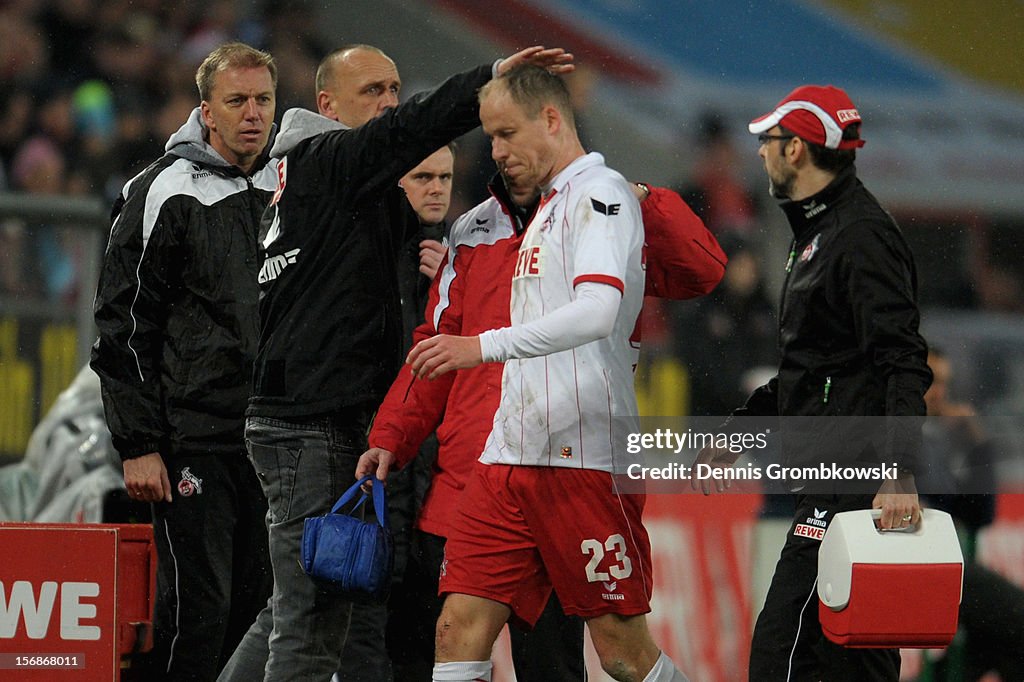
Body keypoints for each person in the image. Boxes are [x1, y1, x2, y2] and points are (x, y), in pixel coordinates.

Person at [216, 45, 573, 682]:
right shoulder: (327, 158)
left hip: (311, 420)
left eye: (394, 89)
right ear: (326, 106)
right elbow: (413, 128)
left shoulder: (331, 183)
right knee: (311, 626)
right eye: (372, 92)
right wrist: (487, 80)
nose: (388, 104)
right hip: (312, 425)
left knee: (295, 608)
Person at [388, 64, 690, 682]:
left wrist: (482, 347)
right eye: (490, 137)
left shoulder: (601, 196)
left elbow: (598, 311)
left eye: (505, 134)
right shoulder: (535, 213)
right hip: (508, 458)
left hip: (582, 462)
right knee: (455, 629)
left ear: (551, 121)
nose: (495, 152)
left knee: (621, 653)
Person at [694, 84, 933, 681]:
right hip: (829, 478)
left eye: (768, 142)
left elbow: (902, 360)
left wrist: (897, 472)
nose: (760, 154)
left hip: (851, 484)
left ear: (797, 150)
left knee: (781, 652)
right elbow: (811, 370)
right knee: (851, 659)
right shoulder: (820, 233)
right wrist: (738, 434)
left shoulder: (858, 236)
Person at [90, 42, 278, 681]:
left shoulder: (286, 185)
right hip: (188, 439)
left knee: (255, 615)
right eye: (237, 101)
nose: (252, 114)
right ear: (207, 111)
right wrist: (138, 442)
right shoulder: (163, 189)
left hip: (272, 440)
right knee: (198, 612)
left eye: (263, 100)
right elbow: (120, 325)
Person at [918, 347, 1024, 682]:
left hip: (947, 567)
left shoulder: (933, 443)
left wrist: (978, 445)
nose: (940, 394)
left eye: (945, 384)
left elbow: (979, 516)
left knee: (999, 646)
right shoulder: (888, 436)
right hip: (920, 565)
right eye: (931, 382)